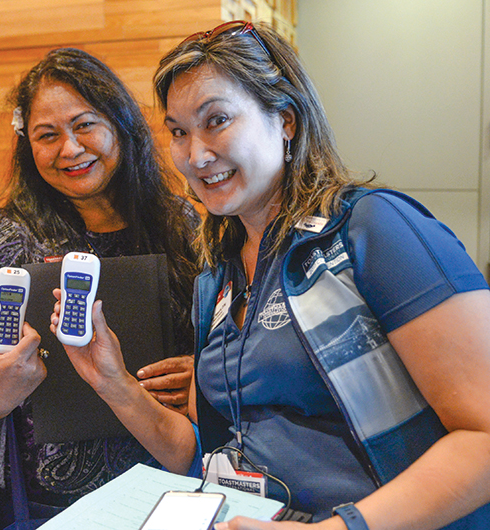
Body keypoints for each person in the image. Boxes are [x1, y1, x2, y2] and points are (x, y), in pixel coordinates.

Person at [50, 21, 490, 530]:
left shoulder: (372, 228)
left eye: (216, 120)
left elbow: (482, 437)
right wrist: (112, 381)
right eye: (178, 132)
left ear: (285, 120)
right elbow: (210, 459)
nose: (195, 155)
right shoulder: (217, 274)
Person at [0, 47, 200, 524]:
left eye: (84, 125)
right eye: (47, 135)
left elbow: (222, 337)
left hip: (166, 487)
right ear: (27, 145)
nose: (70, 149)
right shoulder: (9, 237)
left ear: (120, 122)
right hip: (41, 507)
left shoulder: (179, 222)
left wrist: (202, 371)